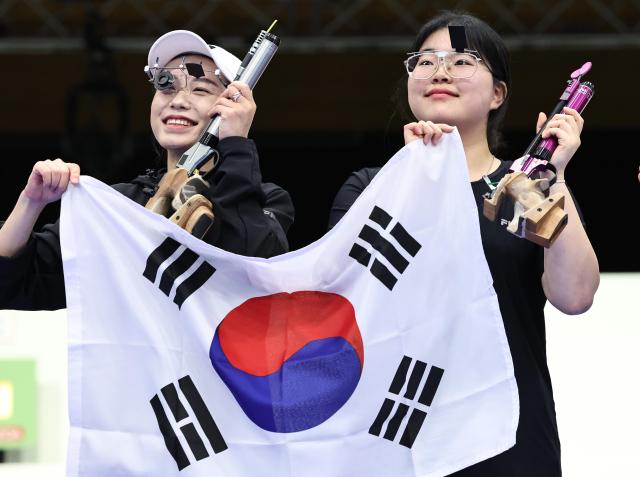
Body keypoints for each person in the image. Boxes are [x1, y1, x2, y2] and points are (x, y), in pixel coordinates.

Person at [328, 12, 599, 476]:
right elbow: (346, 302)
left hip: (508, 439)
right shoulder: (370, 188)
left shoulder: (523, 187)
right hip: (398, 438)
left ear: (498, 94)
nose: (440, 71)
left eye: (462, 59)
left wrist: (554, 177)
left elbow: (574, 296)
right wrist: (414, 177)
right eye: (425, 60)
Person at [0, 30, 294, 311]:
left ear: (232, 106)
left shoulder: (267, 199)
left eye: (201, 89)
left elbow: (254, 268)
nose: (178, 100)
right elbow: (17, 283)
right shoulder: (119, 203)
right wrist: (30, 202)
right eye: (166, 85)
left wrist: (235, 144)